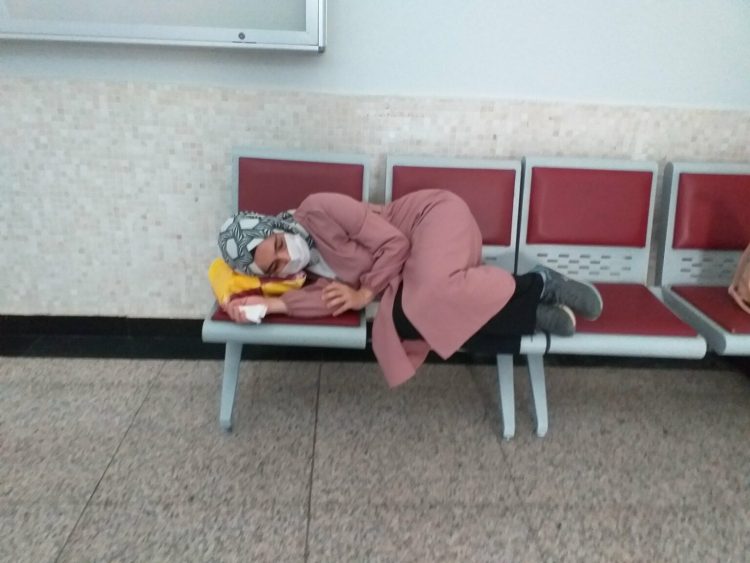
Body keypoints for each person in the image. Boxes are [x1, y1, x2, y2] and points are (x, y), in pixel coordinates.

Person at [217, 189, 602, 387]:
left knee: (429, 298)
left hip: (430, 220)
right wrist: (271, 307)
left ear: (276, 227)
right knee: (408, 319)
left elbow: (394, 244)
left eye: (279, 244)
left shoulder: (318, 209)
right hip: (411, 271)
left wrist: (364, 293)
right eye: (275, 265)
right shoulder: (305, 274)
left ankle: (534, 285)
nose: (286, 257)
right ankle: (530, 312)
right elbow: (326, 300)